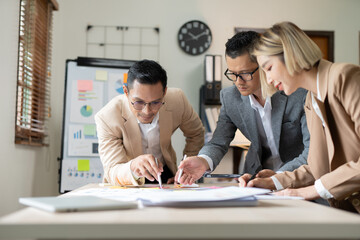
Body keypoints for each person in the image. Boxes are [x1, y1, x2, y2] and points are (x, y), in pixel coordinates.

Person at [244, 21, 360, 213]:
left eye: (269, 67)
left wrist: (308, 191)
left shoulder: (345, 77)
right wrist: (271, 182)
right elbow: (316, 168)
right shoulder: (311, 100)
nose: (269, 80)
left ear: (291, 55)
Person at [175, 31, 310, 185]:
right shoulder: (230, 97)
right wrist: (203, 160)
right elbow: (218, 142)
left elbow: (310, 152)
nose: (238, 82)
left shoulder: (298, 94)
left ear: (263, 64)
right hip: (255, 177)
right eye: (232, 74)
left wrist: (278, 178)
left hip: (298, 177)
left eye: (245, 73)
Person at [95, 59, 204, 186]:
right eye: (138, 102)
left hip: (167, 176)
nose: (147, 111)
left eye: (155, 102)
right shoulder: (107, 117)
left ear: (164, 93)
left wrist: (185, 171)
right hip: (128, 178)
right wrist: (133, 166)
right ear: (126, 92)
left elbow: (196, 133)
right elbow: (112, 170)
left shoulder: (177, 100)